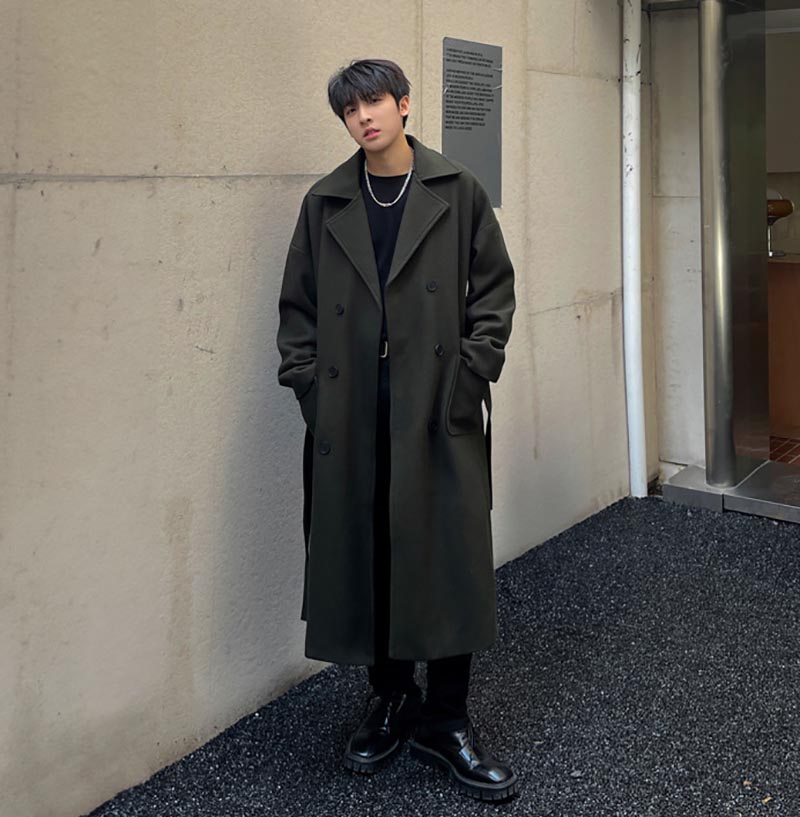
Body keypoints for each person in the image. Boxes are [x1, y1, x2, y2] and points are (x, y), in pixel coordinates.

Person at [276, 58, 517, 802]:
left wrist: (470, 376)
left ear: (404, 105)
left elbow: (494, 293)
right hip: (351, 408)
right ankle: (390, 699)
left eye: (374, 102)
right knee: (371, 549)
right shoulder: (326, 202)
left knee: (447, 556)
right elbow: (297, 310)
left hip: (437, 405)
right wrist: (311, 387)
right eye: (350, 110)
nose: (363, 117)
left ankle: (447, 720)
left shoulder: (456, 189)